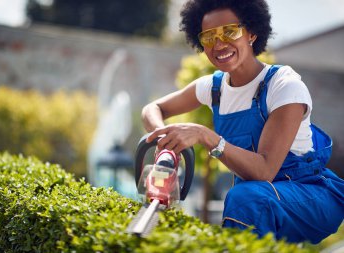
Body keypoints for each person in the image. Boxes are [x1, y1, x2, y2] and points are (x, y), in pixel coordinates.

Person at [141, 0, 344, 244]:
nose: (219, 44)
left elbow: (264, 170)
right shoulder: (214, 88)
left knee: (244, 197)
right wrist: (166, 142)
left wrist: (205, 136)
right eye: (208, 37)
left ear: (252, 33)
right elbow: (153, 109)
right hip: (261, 201)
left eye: (230, 31)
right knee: (247, 199)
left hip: (310, 196)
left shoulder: (284, 86)